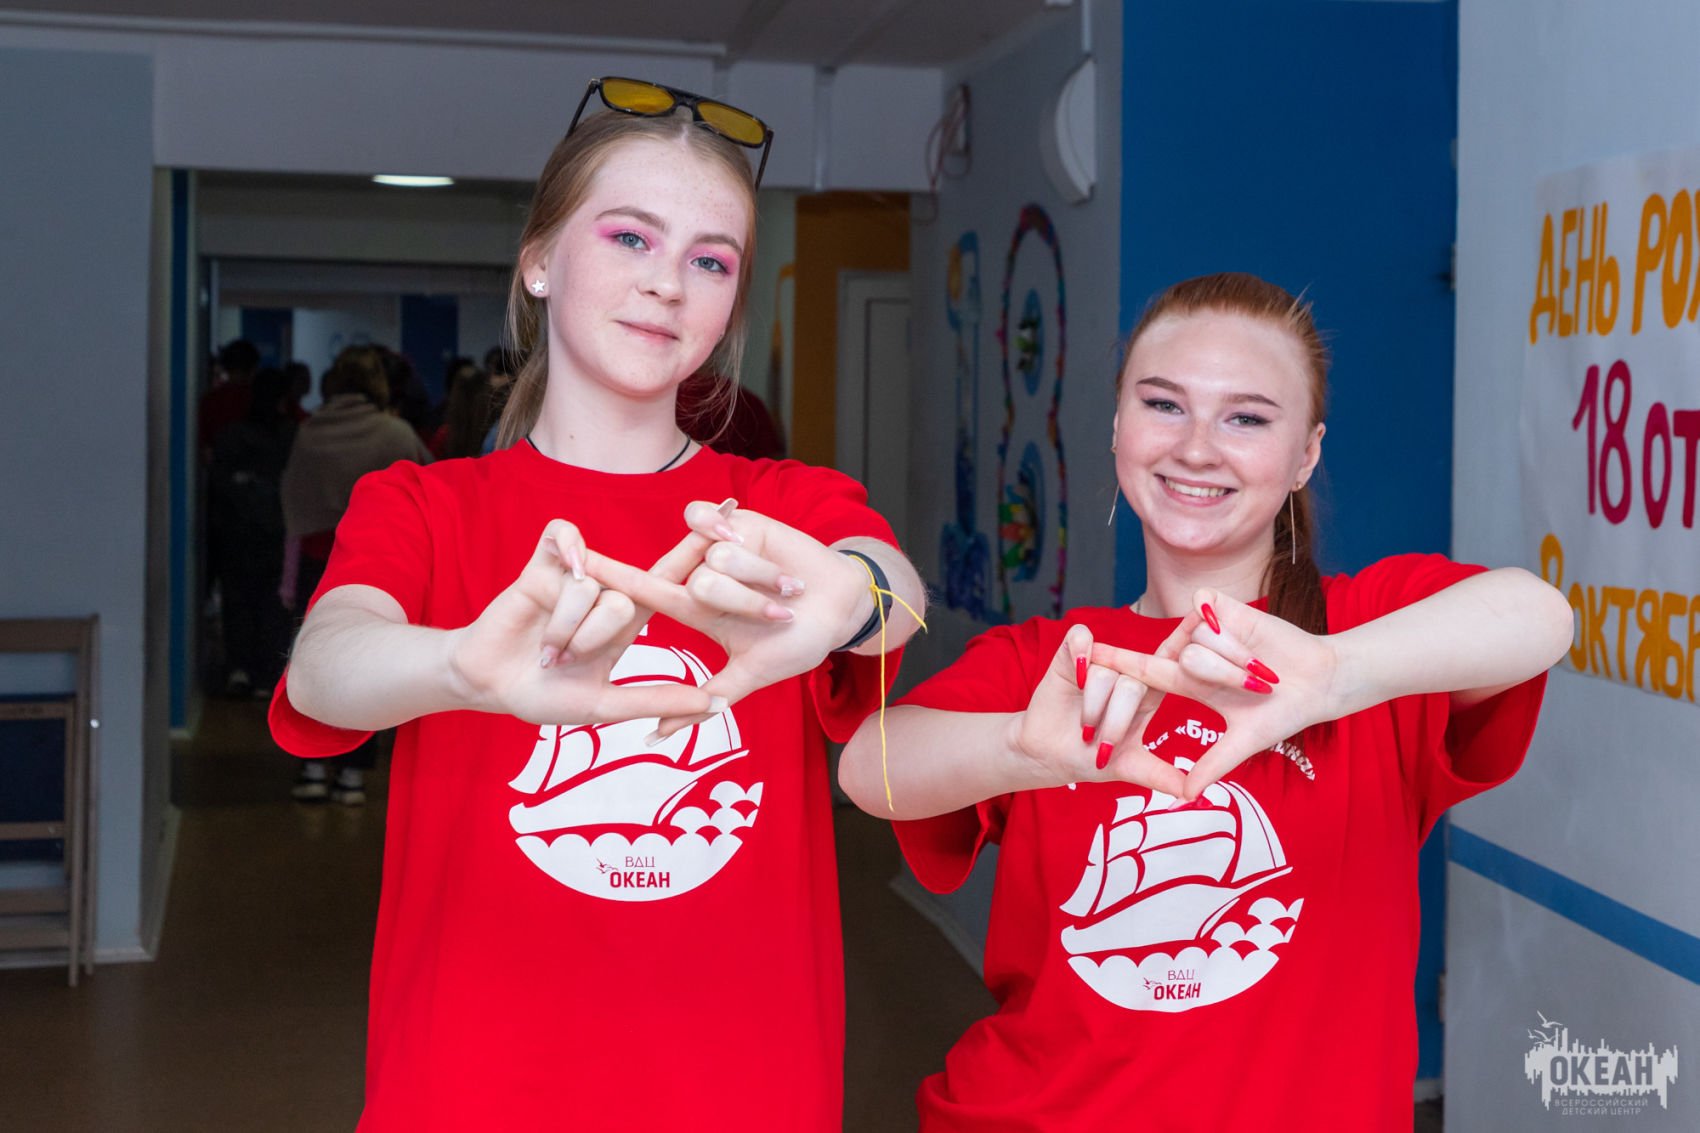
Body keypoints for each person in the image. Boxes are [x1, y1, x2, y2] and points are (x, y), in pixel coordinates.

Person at [268, 76, 924, 1131]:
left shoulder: (776, 503)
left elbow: (883, 577)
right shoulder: (424, 505)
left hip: (739, 1088)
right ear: (538, 261)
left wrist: (854, 594)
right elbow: (325, 665)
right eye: (629, 237)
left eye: (711, 260)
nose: (667, 283)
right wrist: (462, 668)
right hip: (472, 1086)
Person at [839, 272, 1573, 1131]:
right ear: (1118, 427)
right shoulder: (1051, 659)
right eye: (1164, 405)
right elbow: (868, 768)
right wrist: (1021, 748)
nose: (1196, 448)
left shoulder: (1363, 633)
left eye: (1246, 418)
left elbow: (1539, 614)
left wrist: (1333, 673)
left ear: (1306, 455)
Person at [279, 343, 432, 805]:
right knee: (369, 668)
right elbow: (429, 490)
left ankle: (311, 765)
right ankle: (352, 775)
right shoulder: (396, 433)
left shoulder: (308, 433)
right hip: (379, 566)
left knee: (315, 661)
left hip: (316, 560)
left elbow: (293, 494)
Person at [208, 366, 297, 696]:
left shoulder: (231, 436)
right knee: (275, 606)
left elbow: (218, 486)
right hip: (279, 533)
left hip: (237, 534)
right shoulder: (293, 436)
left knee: (238, 602)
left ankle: (239, 667)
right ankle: (268, 673)